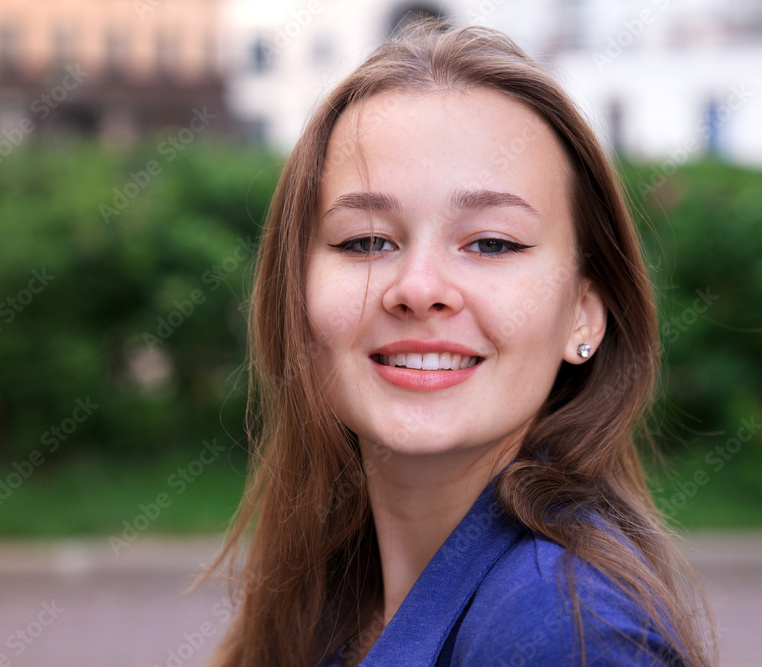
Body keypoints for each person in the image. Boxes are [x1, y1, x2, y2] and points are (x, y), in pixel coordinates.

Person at [206, 21, 715, 667]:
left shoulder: (560, 630)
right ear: (295, 293)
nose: (418, 289)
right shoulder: (329, 600)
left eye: (491, 243)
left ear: (586, 313)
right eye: (365, 241)